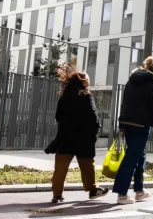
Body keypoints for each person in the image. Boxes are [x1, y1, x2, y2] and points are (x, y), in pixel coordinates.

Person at [48, 67, 108, 204]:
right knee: (87, 166)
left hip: (66, 138)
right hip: (84, 138)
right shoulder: (86, 96)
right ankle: (93, 190)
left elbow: (58, 116)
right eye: (88, 80)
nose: (89, 82)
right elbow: (93, 117)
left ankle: (57, 195)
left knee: (60, 168)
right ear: (84, 82)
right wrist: (93, 133)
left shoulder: (64, 97)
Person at [113, 57, 153, 205]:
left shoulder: (132, 80)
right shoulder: (152, 83)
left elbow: (124, 102)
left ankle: (139, 191)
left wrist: (121, 123)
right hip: (141, 125)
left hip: (127, 121)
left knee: (140, 156)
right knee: (131, 158)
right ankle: (122, 194)